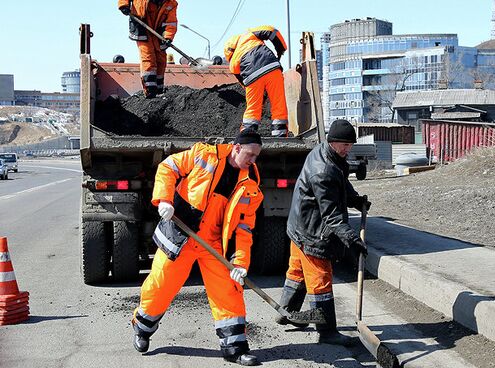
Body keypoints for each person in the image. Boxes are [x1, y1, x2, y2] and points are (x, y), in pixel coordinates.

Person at [131, 128, 264, 366]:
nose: (253, 161)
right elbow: (167, 167)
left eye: (256, 156)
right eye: (250, 155)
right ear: (236, 148)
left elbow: (244, 228)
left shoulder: (250, 183)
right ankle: (142, 328)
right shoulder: (204, 154)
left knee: (229, 291)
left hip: (212, 243)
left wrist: (240, 263)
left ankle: (235, 348)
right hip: (182, 233)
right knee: (160, 285)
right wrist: (164, 199)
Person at [278, 119, 371, 346]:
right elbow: (330, 215)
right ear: (332, 142)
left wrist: (354, 199)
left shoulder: (328, 154)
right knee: (320, 279)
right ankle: (327, 331)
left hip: (299, 225)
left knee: (297, 270)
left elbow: (340, 183)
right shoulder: (323, 170)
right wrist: (352, 239)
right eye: (344, 145)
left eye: (350, 145)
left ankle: (286, 311)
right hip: (312, 231)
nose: (347, 149)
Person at [224, 26, 289, 137]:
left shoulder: (233, 64)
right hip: (272, 69)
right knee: (279, 104)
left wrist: (261, 96)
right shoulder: (249, 35)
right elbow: (272, 31)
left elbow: (244, 84)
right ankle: (280, 135)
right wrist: (281, 48)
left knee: (252, 109)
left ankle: (247, 136)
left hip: (252, 78)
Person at [118, 0, 178, 98]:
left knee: (161, 60)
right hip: (141, 26)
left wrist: (168, 37)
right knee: (148, 58)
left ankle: (159, 90)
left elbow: (171, 23)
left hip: (158, 32)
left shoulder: (171, 3)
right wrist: (123, 4)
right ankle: (150, 92)